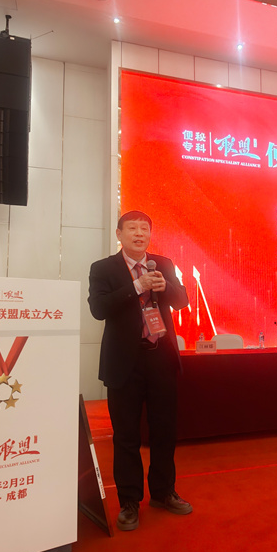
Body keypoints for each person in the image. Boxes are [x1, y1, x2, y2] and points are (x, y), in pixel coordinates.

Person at [88, 210, 191, 531]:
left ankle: (163, 492)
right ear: (119, 234)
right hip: (125, 363)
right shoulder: (103, 268)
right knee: (126, 436)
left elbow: (181, 301)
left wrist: (164, 287)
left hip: (161, 359)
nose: (139, 234)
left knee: (164, 432)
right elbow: (98, 309)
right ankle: (129, 501)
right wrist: (136, 286)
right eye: (132, 228)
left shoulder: (163, 263)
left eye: (144, 229)